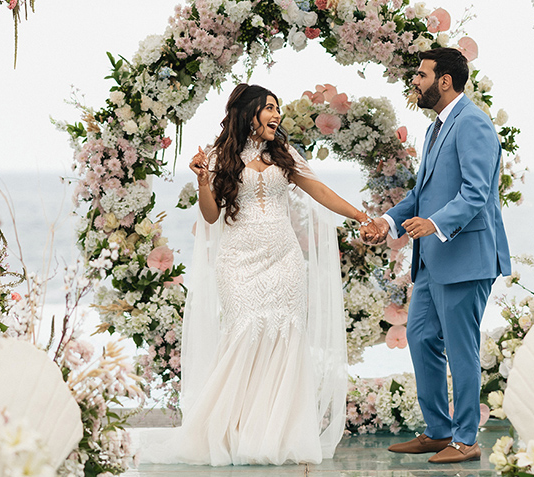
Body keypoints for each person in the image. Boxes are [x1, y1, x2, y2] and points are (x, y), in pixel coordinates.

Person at [136, 83, 378, 466]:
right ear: (249, 113)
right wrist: (202, 181)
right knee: (245, 334)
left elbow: (320, 191)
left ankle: (274, 436)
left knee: (285, 339)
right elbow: (212, 216)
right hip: (238, 261)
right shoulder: (218, 157)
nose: (277, 114)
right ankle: (230, 433)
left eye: (277, 108)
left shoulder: (284, 154)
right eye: (269, 107)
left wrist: (363, 217)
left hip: (284, 260)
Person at [362, 46, 511, 463]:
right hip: (431, 260)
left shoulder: (473, 124)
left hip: (466, 257)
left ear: (444, 81)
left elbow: (477, 192)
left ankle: (466, 439)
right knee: (421, 335)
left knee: (461, 348)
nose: (415, 82)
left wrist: (436, 224)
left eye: (421, 76)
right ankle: (438, 430)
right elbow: (421, 194)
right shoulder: (436, 128)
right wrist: (387, 223)